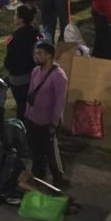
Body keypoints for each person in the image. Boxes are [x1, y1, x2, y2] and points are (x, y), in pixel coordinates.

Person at [24, 42, 68, 186]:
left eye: (40, 53)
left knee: (52, 153)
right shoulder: (36, 71)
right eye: (35, 53)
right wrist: (27, 113)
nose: (36, 56)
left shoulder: (59, 76)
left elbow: (59, 103)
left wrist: (53, 123)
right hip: (33, 119)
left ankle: (58, 178)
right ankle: (38, 176)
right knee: (36, 151)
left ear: (49, 55)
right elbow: (30, 93)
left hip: (47, 123)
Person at [4, 5, 39, 118]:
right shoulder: (34, 32)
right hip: (31, 73)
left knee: (21, 105)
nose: (13, 17)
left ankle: (21, 128)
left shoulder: (19, 37)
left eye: (15, 15)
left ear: (21, 19)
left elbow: (12, 57)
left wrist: (7, 65)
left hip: (19, 76)